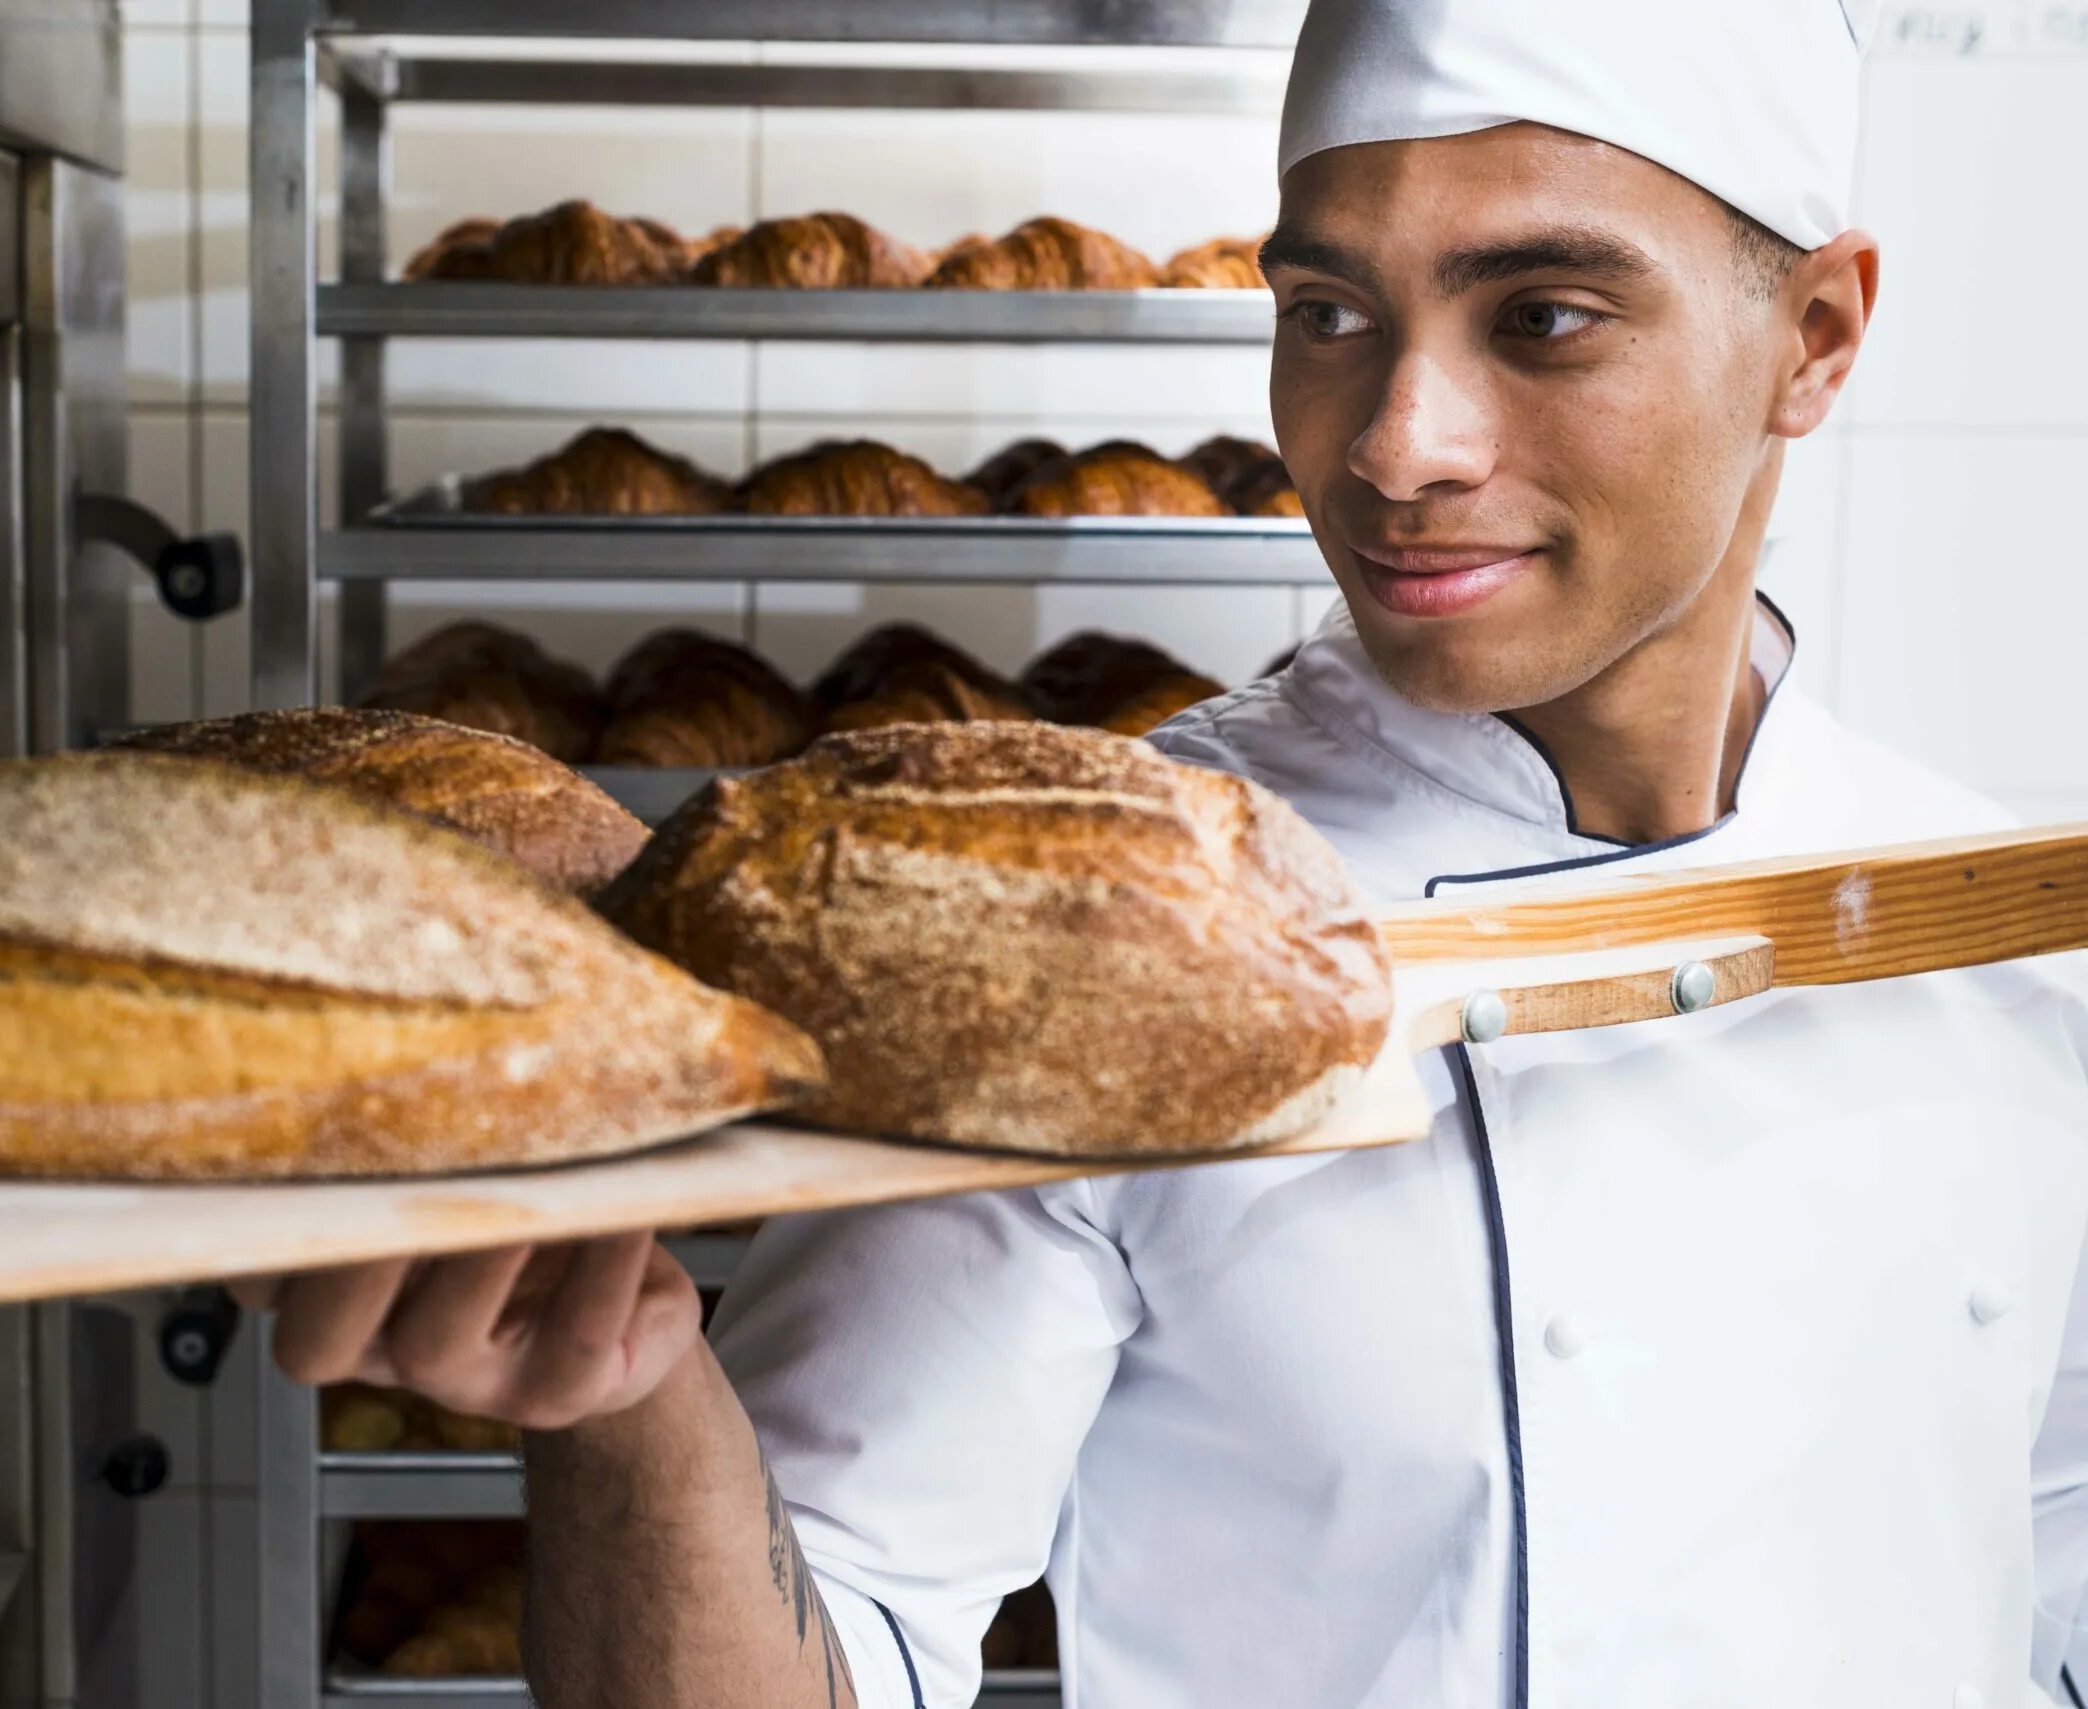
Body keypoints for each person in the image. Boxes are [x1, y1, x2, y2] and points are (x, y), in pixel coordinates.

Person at [244, 1, 2088, 1702]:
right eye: (1329, 315)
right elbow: (840, 1644)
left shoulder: (2006, 926)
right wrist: (625, 1397)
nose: (1391, 445)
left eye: (1540, 316)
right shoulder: (1091, 934)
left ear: (1817, 340)